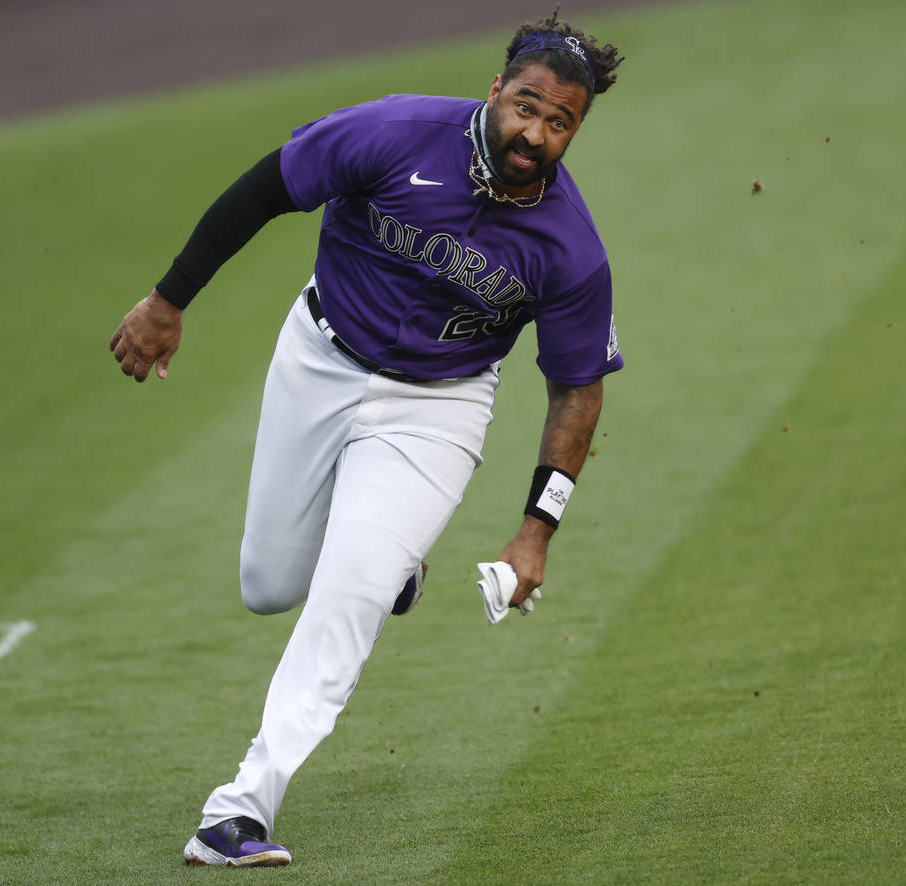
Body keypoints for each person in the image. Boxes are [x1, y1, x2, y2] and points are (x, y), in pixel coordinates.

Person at [108, 11, 623, 868]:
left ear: (576, 129)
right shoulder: (393, 131)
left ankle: (239, 810)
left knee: (344, 600)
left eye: (559, 121)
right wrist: (169, 299)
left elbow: (577, 391)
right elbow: (266, 186)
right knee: (269, 583)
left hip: (438, 409)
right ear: (496, 90)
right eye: (526, 106)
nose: (534, 133)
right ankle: (397, 576)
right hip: (318, 356)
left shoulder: (568, 248)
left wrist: (538, 529)